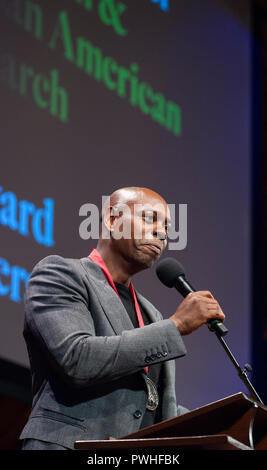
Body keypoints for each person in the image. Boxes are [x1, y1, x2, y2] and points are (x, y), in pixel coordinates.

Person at [19, 187, 225, 450]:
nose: (161, 233)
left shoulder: (151, 313)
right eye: (149, 219)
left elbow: (154, 403)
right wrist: (177, 325)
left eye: (166, 227)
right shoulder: (60, 273)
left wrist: (224, 423)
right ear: (112, 220)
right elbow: (77, 358)